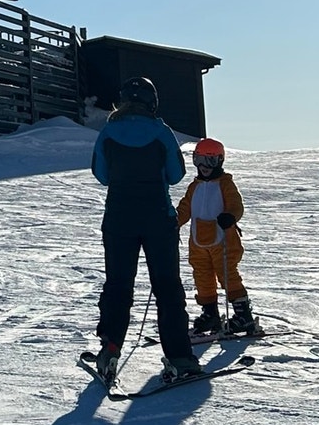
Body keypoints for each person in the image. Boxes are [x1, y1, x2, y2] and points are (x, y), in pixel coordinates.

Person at [89, 76, 200, 386]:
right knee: (167, 287)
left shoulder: (108, 133)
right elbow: (176, 175)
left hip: (119, 219)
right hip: (157, 219)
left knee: (118, 285)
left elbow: (101, 175)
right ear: (153, 102)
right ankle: (179, 355)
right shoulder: (162, 133)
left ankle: (110, 347)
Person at [175, 137, 261, 337]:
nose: (204, 167)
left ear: (220, 161)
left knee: (227, 273)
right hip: (198, 241)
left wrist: (230, 216)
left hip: (224, 240)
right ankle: (210, 313)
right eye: (199, 160)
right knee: (202, 275)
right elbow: (185, 208)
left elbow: (236, 204)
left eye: (210, 161)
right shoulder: (194, 187)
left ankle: (243, 315)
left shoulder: (225, 184)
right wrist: (173, 222)